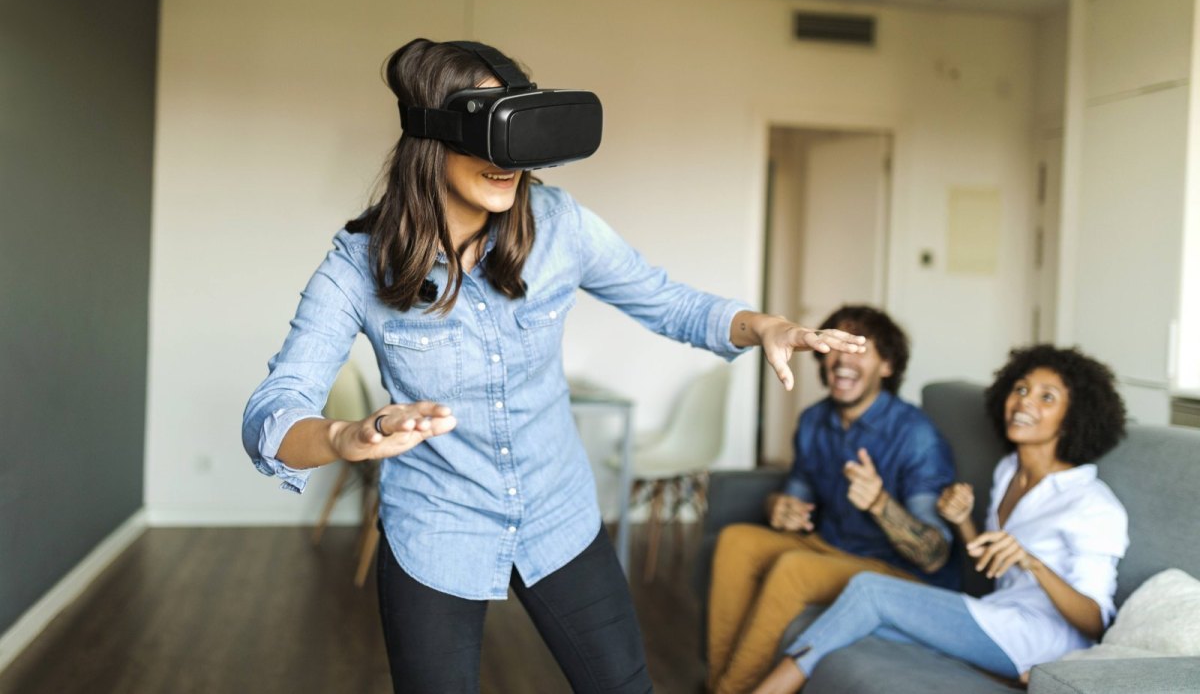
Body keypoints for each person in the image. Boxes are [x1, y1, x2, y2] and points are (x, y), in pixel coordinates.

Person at [240, 38, 867, 694]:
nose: (509, 159)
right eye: (491, 127)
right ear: (434, 135)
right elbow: (272, 413)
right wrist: (346, 436)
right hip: (436, 527)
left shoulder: (560, 225)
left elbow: (669, 302)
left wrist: (762, 325)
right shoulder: (355, 265)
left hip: (558, 514)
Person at [750, 345, 1129, 693]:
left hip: (1040, 637)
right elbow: (991, 566)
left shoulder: (1092, 504)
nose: (1024, 402)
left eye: (1047, 397)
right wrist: (963, 521)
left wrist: (1033, 563)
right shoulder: (1009, 471)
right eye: (1021, 389)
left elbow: (1094, 621)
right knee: (862, 623)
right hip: (997, 618)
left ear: (1073, 417)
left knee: (868, 590)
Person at [707, 305, 958, 694]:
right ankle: (718, 684)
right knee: (736, 541)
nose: (841, 359)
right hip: (832, 545)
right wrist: (780, 507)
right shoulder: (813, 420)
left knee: (794, 568)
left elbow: (934, 555)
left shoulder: (916, 435)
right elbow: (797, 497)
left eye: (858, 348)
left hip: (893, 570)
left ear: (887, 366)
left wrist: (879, 503)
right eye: (832, 346)